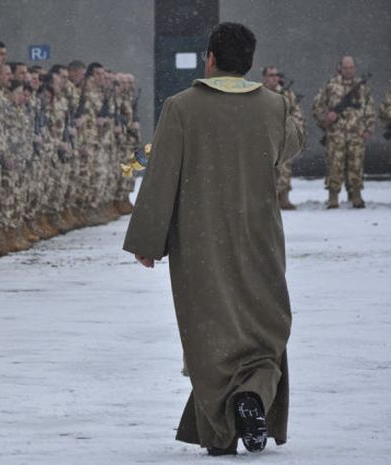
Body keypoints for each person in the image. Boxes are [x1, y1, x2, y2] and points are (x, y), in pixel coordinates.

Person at [123, 22, 303, 456]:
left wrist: (148, 239)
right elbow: (292, 146)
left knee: (209, 333)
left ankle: (221, 429)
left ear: (209, 58)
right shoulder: (273, 106)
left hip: (200, 240)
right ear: (250, 64)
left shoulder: (181, 108)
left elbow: (161, 174)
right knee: (264, 327)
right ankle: (253, 396)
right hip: (258, 236)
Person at [312, 56, 375, 208]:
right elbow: (317, 106)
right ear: (339, 68)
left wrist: (368, 129)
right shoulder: (331, 86)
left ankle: (356, 196)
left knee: (356, 166)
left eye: (351, 67)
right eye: (345, 67)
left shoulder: (362, 87)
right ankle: (333, 197)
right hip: (336, 135)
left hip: (356, 134)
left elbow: (370, 110)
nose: (348, 70)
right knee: (335, 165)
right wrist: (326, 118)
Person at [262, 66, 305, 209]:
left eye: (277, 75)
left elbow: (297, 115)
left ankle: (283, 198)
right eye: (271, 75)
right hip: (264, 139)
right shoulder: (259, 95)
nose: (275, 78)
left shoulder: (287, 95)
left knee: (285, 168)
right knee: (265, 172)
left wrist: (292, 132)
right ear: (264, 78)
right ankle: (267, 201)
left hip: (283, 139)